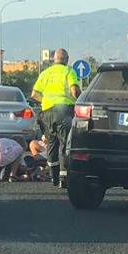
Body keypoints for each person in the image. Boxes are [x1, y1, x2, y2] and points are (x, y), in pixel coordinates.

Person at [31, 48, 81, 187]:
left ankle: (53, 176)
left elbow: (34, 94)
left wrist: (46, 101)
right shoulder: (68, 71)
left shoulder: (45, 73)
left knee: (52, 143)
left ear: (54, 59)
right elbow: (74, 90)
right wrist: (79, 101)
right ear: (66, 59)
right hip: (64, 111)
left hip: (47, 112)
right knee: (65, 143)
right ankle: (63, 178)